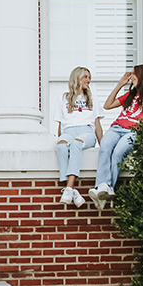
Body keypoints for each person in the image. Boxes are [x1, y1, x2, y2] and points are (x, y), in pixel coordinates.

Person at [89, 64, 143, 210]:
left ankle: (109, 186)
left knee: (118, 151)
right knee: (105, 146)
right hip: (117, 128)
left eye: (135, 74)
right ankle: (101, 187)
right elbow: (107, 105)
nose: (131, 77)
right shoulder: (131, 94)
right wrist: (120, 84)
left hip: (135, 131)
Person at [53, 67, 104, 208]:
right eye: (85, 77)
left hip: (86, 131)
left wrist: (103, 146)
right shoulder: (63, 98)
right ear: (76, 78)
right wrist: (60, 139)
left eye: (89, 77)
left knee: (76, 144)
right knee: (61, 146)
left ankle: (69, 187)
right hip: (68, 131)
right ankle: (72, 191)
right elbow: (60, 125)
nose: (88, 80)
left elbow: (97, 125)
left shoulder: (92, 99)